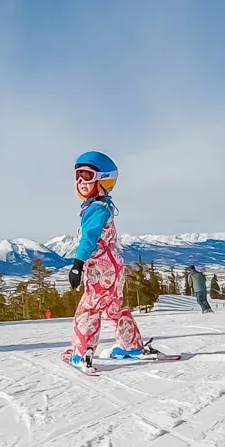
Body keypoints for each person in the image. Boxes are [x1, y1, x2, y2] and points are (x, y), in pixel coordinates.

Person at [62, 151, 155, 373]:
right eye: (78, 175)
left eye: (88, 175)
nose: (81, 182)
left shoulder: (95, 209)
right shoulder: (103, 206)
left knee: (89, 309)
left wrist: (77, 264)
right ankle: (129, 345)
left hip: (100, 269)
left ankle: (81, 352)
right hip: (114, 266)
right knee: (116, 307)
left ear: (103, 179)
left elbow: (89, 238)